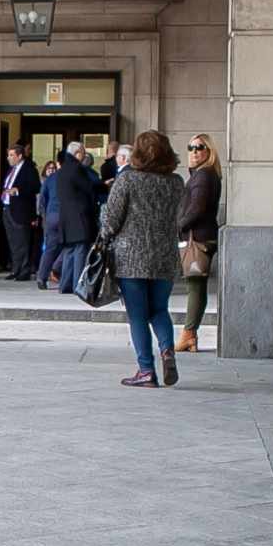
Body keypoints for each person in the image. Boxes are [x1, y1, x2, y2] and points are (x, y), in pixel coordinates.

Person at [99, 130, 185, 388]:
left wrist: (103, 232)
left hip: (131, 258)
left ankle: (146, 370)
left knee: (137, 315)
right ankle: (168, 350)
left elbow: (111, 220)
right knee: (159, 309)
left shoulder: (127, 181)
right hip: (165, 257)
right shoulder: (176, 182)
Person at [176, 133, 222, 353]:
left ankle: (188, 334)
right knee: (197, 285)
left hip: (198, 238)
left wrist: (179, 226)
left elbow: (197, 208)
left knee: (195, 286)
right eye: (191, 147)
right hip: (202, 236)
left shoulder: (204, 175)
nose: (194, 152)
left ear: (209, 151)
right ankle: (190, 334)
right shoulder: (205, 174)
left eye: (199, 147)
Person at [54, 143, 101, 295]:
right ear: (78, 153)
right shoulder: (77, 169)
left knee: (69, 251)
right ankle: (77, 285)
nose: (84, 156)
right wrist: (102, 187)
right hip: (79, 216)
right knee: (80, 250)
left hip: (66, 216)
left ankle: (65, 285)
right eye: (83, 153)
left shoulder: (62, 170)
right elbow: (88, 188)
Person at [0, 144, 41, 281]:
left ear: (19, 156)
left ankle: (24, 271)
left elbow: (35, 186)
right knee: (13, 242)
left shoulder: (29, 169)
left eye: (11, 155)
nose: (8, 158)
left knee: (23, 242)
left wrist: (17, 191)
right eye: (8, 155)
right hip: (8, 209)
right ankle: (15, 269)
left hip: (21, 211)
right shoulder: (11, 170)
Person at [35, 153, 65, 289]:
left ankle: (42, 277)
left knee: (50, 248)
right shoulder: (72, 176)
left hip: (51, 216)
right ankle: (56, 268)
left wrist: (45, 216)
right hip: (67, 217)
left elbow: (43, 199)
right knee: (72, 246)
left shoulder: (50, 178)